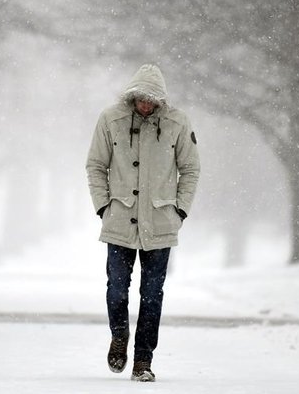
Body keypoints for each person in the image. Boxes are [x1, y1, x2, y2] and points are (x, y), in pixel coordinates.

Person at [86, 64, 200, 382]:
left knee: (152, 294)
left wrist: (180, 211)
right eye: (141, 99)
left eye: (151, 100)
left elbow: (190, 169)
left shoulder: (177, 123)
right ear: (132, 97)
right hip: (119, 219)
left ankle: (143, 361)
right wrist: (103, 206)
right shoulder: (110, 120)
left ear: (160, 100)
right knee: (117, 289)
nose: (145, 105)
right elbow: (95, 164)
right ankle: (119, 336)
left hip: (161, 223)